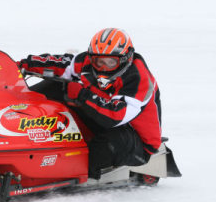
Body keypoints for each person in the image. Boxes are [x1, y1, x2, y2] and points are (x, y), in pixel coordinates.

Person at [18, 28, 161, 179]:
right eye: (99, 62)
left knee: (111, 142)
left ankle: (77, 171)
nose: (103, 68)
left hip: (134, 138)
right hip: (100, 119)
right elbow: (61, 65)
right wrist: (22, 65)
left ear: (125, 59)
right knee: (55, 87)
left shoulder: (138, 79)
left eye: (111, 62)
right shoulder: (88, 62)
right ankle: (18, 125)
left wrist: (82, 94)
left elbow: (115, 117)